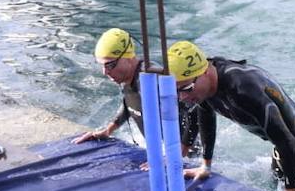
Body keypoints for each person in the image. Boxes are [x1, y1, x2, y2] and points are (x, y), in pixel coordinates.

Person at [168, 40, 295, 191]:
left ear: (205, 72)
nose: (183, 97)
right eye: (177, 91)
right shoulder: (204, 89)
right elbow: (205, 116)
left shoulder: (243, 88)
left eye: (186, 89)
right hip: (282, 147)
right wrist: (205, 165)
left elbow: (288, 140)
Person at [71, 28, 202, 170]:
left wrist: (175, 156)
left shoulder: (152, 79)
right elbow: (131, 102)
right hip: (167, 151)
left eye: (110, 65)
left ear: (128, 58)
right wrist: (108, 130)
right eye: (102, 65)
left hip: (189, 158)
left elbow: (195, 112)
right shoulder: (129, 78)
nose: (105, 72)